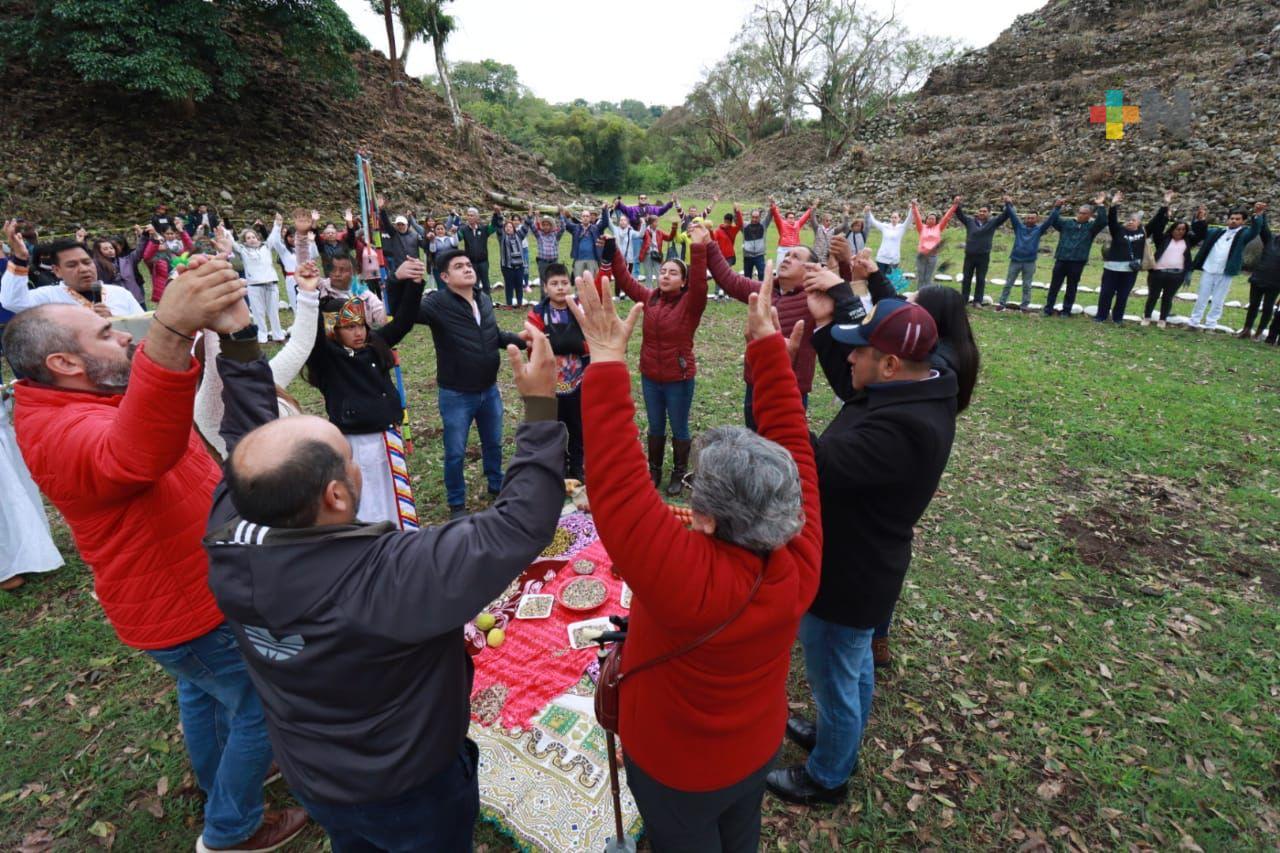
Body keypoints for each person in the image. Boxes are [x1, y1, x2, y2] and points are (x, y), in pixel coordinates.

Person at [3, 257, 307, 851]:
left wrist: (212, 327)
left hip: (182, 597)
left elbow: (157, 397)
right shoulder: (60, 430)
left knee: (205, 694)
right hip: (186, 606)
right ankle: (231, 830)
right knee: (262, 703)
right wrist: (169, 331)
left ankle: (214, 776)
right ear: (64, 363)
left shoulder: (82, 393)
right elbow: (136, 453)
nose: (123, 335)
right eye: (104, 333)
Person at [572, 264, 820, 853]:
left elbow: (619, 490)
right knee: (740, 834)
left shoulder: (685, 579)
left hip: (676, 768)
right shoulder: (801, 554)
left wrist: (607, 358)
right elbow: (796, 447)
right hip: (756, 747)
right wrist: (767, 352)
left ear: (705, 518)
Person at [766, 260, 958, 807]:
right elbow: (856, 380)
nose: (850, 357)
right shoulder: (928, 377)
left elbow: (805, 459)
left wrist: (775, 376)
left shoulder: (901, 434)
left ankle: (828, 775)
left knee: (834, 675)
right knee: (852, 668)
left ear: (891, 364)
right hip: (871, 560)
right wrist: (838, 314)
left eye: (861, 350)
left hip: (847, 574)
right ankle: (835, 737)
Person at [872, 283, 980, 667]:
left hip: (906, 470)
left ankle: (876, 638)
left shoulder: (939, 363)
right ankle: (877, 637)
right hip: (918, 463)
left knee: (880, 551)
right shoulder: (956, 350)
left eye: (913, 303)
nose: (906, 304)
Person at [302, 254, 426, 529]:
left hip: (387, 437)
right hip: (354, 442)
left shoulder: (375, 345)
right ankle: (371, 547)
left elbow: (404, 322)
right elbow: (311, 337)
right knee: (364, 500)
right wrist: (309, 296)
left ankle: (399, 541)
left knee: (395, 497)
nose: (357, 332)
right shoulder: (327, 358)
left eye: (360, 325)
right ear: (333, 330)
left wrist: (413, 283)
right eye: (348, 327)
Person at [414, 248, 528, 519]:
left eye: (468, 264)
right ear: (444, 276)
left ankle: (496, 485)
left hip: (489, 390)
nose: (467, 268)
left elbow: (493, 334)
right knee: (455, 452)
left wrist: (521, 340)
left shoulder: (484, 298)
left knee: (494, 443)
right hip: (456, 394)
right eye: (458, 266)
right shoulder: (436, 304)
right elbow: (405, 312)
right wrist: (405, 284)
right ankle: (456, 503)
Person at [601, 232, 708, 496]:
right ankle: (655, 470)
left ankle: (679, 472)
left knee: (679, 426)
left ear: (684, 282)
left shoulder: (691, 303)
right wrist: (614, 251)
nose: (666, 275)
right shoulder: (650, 298)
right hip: (651, 375)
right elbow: (625, 280)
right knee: (656, 424)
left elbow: (700, 284)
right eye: (663, 271)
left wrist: (697, 248)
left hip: (678, 377)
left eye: (673, 273)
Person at [526, 263, 588, 480]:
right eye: (554, 284)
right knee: (555, 428)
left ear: (570, 285)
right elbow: (533, 346)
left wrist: (572, 345)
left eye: (564, 283)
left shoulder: (579, 308)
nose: (560, 288)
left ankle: (578, 466)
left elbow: (590, 338)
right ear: (545, 287)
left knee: (579, 427)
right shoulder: (538, 313)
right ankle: (558, 466)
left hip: (579, 381)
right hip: (551, 383)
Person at [2, 225, 144, 318]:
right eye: (72, 265)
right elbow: (12, 301)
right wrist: (20, 259)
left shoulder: (120, 294)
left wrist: (115, 321)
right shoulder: (48, 297)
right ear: (57, 271)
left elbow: (142, 331)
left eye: (87, 262)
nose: (83, 269)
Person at [1188, 202, 1267, 331]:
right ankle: (1194, 322)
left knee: (1218, 300)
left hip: (1225, 271)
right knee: (1202, 297)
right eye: (1232, 218)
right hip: (1209, 268)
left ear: (1243, 221)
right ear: (1228, 219)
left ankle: (1210, 325)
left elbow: (1255, 230)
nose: (1234, 221)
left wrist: (1258, 215)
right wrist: (1200, 218)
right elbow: (1200, 231)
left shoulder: (1243, 234)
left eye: (1237, 219)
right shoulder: (1216, 232)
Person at [1140, 194, 1206, 328]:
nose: (1180, 232)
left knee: (1167, 298)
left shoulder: (1187, 241)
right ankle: (1147, 317)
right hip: (1158, 273)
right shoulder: (1163, 239)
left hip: (1176, 275)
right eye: (1178, 229)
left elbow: (1200, 234)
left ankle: (1162, 319)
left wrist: (1201, 220)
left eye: (1183, 230)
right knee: (1153, 296)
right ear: (1172, 229)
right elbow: (1156, 226)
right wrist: (1165, 207)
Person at [1044, 194, 1108, 317]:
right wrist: (1057, 207)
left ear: (1089, 215)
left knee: (1071, 287)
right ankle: (1048, 308)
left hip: (1077, 261)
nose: (1080, 214)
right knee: (1054, 286)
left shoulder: (1091, 228)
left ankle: (1066, 310)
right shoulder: (1067, 224)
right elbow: (1052, 220)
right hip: (1061, 259)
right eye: (1079, 212)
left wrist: (1100, 205)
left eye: (1084, 213)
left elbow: (1103, 221)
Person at [223, 225, 287, 343]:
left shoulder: (266, 247)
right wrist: (224, 229)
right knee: (258, 313)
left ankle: (278, 335)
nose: (252, 239)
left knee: (273, 312)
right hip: (254, 286)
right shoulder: (243, 250)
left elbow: (273, 237)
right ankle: (262, 337)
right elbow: (231, 241)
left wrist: (277, 224)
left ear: (257, 238)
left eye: (253, 237)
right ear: (244, 241)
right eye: (248, 238)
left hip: (271, 283)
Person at [997, 198, 1061, 311]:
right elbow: (1012, 215)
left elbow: (1050, 220)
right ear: (1025, 218)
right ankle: (1002, 302)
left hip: (1030, 262)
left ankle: (1024, 305)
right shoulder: (1019, 227)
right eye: (1028, 217)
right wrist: (1008, 203)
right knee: (1008, 283)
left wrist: (1057, 208)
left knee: (1027, 285)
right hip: (1015, 260)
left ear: (1037, 219)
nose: (1030, 219)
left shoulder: (1040, 229)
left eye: (1032, 218)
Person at [1094, 192, 1148, 325]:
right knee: (1106, 293)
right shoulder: (1118, 231)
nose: (1130, 222)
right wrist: (1113, 205)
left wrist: (1165, 205)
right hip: (1112, 268)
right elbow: (1112, 220)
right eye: (1128, 220)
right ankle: (1101, 316)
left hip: (1130, 270)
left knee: (1123, 296)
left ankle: (1118, 318)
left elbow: (1158, 222)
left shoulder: (1142, 233)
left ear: (1139, 223)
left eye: (1133, 220)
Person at [954, 198, 1010, 306]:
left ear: (989, 213)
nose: (982, 213)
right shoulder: (970, 221)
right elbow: (959, 214)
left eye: (984, 211)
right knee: (966, 278)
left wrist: (1008, 203)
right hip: (970, 255)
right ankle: (964, 299)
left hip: (983, 256)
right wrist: (956, 203)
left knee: (980, 279)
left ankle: (977, 301)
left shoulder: (993, 222)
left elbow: (1005, 215)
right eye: (980, 211)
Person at [1244, 209, 1279, 340]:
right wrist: (1260, 214)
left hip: (1275, 283)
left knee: (1267, 308)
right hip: (1258, 278)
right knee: (1253, 305)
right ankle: (1246, 329)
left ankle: (1258, 332)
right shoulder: (1271, 239)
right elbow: (1263, 228)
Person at [911, 197, 959, 288]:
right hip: (921, 255)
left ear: (936, 220)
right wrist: (914, 206)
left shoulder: (939, 228)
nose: (931, 220)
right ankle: (919, 295)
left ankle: (927, 295)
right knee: (921, 277)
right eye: (929, 218)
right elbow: (917, 217)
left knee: (928, 278)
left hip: (933, 256)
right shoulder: (921, 228)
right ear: (926, 219)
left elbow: (947, 217)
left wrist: (954, 205)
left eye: (933, 219)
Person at [142, 223, 195, 303]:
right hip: (163, 285)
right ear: (163, 234)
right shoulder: (158, 245)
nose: (170, 235)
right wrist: (155, 241)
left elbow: (190, 248)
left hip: (178, 282)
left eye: (172, 233)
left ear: (175, 233)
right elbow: (147, 257)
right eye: (167, 233)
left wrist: (182, 231)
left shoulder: (179, 245)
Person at [458, 206, 501, 296]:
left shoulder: (484, 229)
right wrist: (454, 231)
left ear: (477, 217)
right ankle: (475, 305)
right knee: (474, 285)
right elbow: (456, 239)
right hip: (471, 263)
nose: (470, 217)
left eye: (472, 215)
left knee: (486, 285)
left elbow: (493, 226)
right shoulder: (464, 230)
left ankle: (488, 304)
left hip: (483, 262)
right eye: (468, 215)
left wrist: (496, 214)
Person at [563, 206, 610, 278]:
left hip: (593, 260)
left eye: (587, 216)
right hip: (579, 260)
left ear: (590, 218)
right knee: (579, 282)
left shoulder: (596, 228)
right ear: (581, 218)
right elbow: (565, 224)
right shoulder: (575, 228)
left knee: (593, 283)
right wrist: (562, 214)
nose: (585, 218)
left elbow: (605, 223)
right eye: (583, 216)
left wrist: (604, 210)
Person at [768, 196, 815, 266]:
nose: (792, 220)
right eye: (790, 218)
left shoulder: (797, 224)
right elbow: (776, 214)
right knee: (780, 266)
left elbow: (805, 216)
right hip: (783, 249)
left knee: (793, 267)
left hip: (794, 248)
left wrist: (813, 206)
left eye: (793, 218)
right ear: (786, 219)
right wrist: (772, 202)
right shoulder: (781, 223)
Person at [497, 217, 531, 308]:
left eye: (510, 227)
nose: (508, 228)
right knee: (509, 286)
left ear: (514, 228)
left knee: (519, 286)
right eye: (506, 227)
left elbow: (526, 226)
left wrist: (530, 214)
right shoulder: (502, 238)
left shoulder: (519, 235)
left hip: (519, 266)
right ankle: (509, 304)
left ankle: (520, 303)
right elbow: (499, 226)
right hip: (507, 267)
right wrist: (498, 214)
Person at [527, 209, 566, 289]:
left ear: (551, 226)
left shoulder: (555, 235)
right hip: (543, 263)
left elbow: (563, 228)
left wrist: (561, 214)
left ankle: (553, 300)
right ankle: (544, 300)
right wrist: (532, 214)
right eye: (544, 225)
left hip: (554, 262)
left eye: (548, 225)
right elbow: (531, 224)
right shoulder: (539, 234)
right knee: (543, 283)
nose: (546, 227)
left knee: (554, 282)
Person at [864, 206, 908, 275]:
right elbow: (873, 221)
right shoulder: (885, 226)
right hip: (881, 258)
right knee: (880, 278)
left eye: (895, 217)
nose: (893, 219)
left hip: (893, 260)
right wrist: (868, 211)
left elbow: (909, 220)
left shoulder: (901, 228)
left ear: (899, 219)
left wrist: (913, 208)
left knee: (890, 280)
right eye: (892, 217)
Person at [740, 208, 768, 281]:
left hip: (759, 255)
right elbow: (738, 221)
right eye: (753, 217)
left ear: (760, 217)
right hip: (748, 256)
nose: (754, 219)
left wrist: (772, 204)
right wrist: (736, 211)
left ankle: (761, 290)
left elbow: (770, 215)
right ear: (750, 217)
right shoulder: (745, 226)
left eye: (756, 217)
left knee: (762, 274)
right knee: (747, 276)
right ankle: (748, 291)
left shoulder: (763, 225)